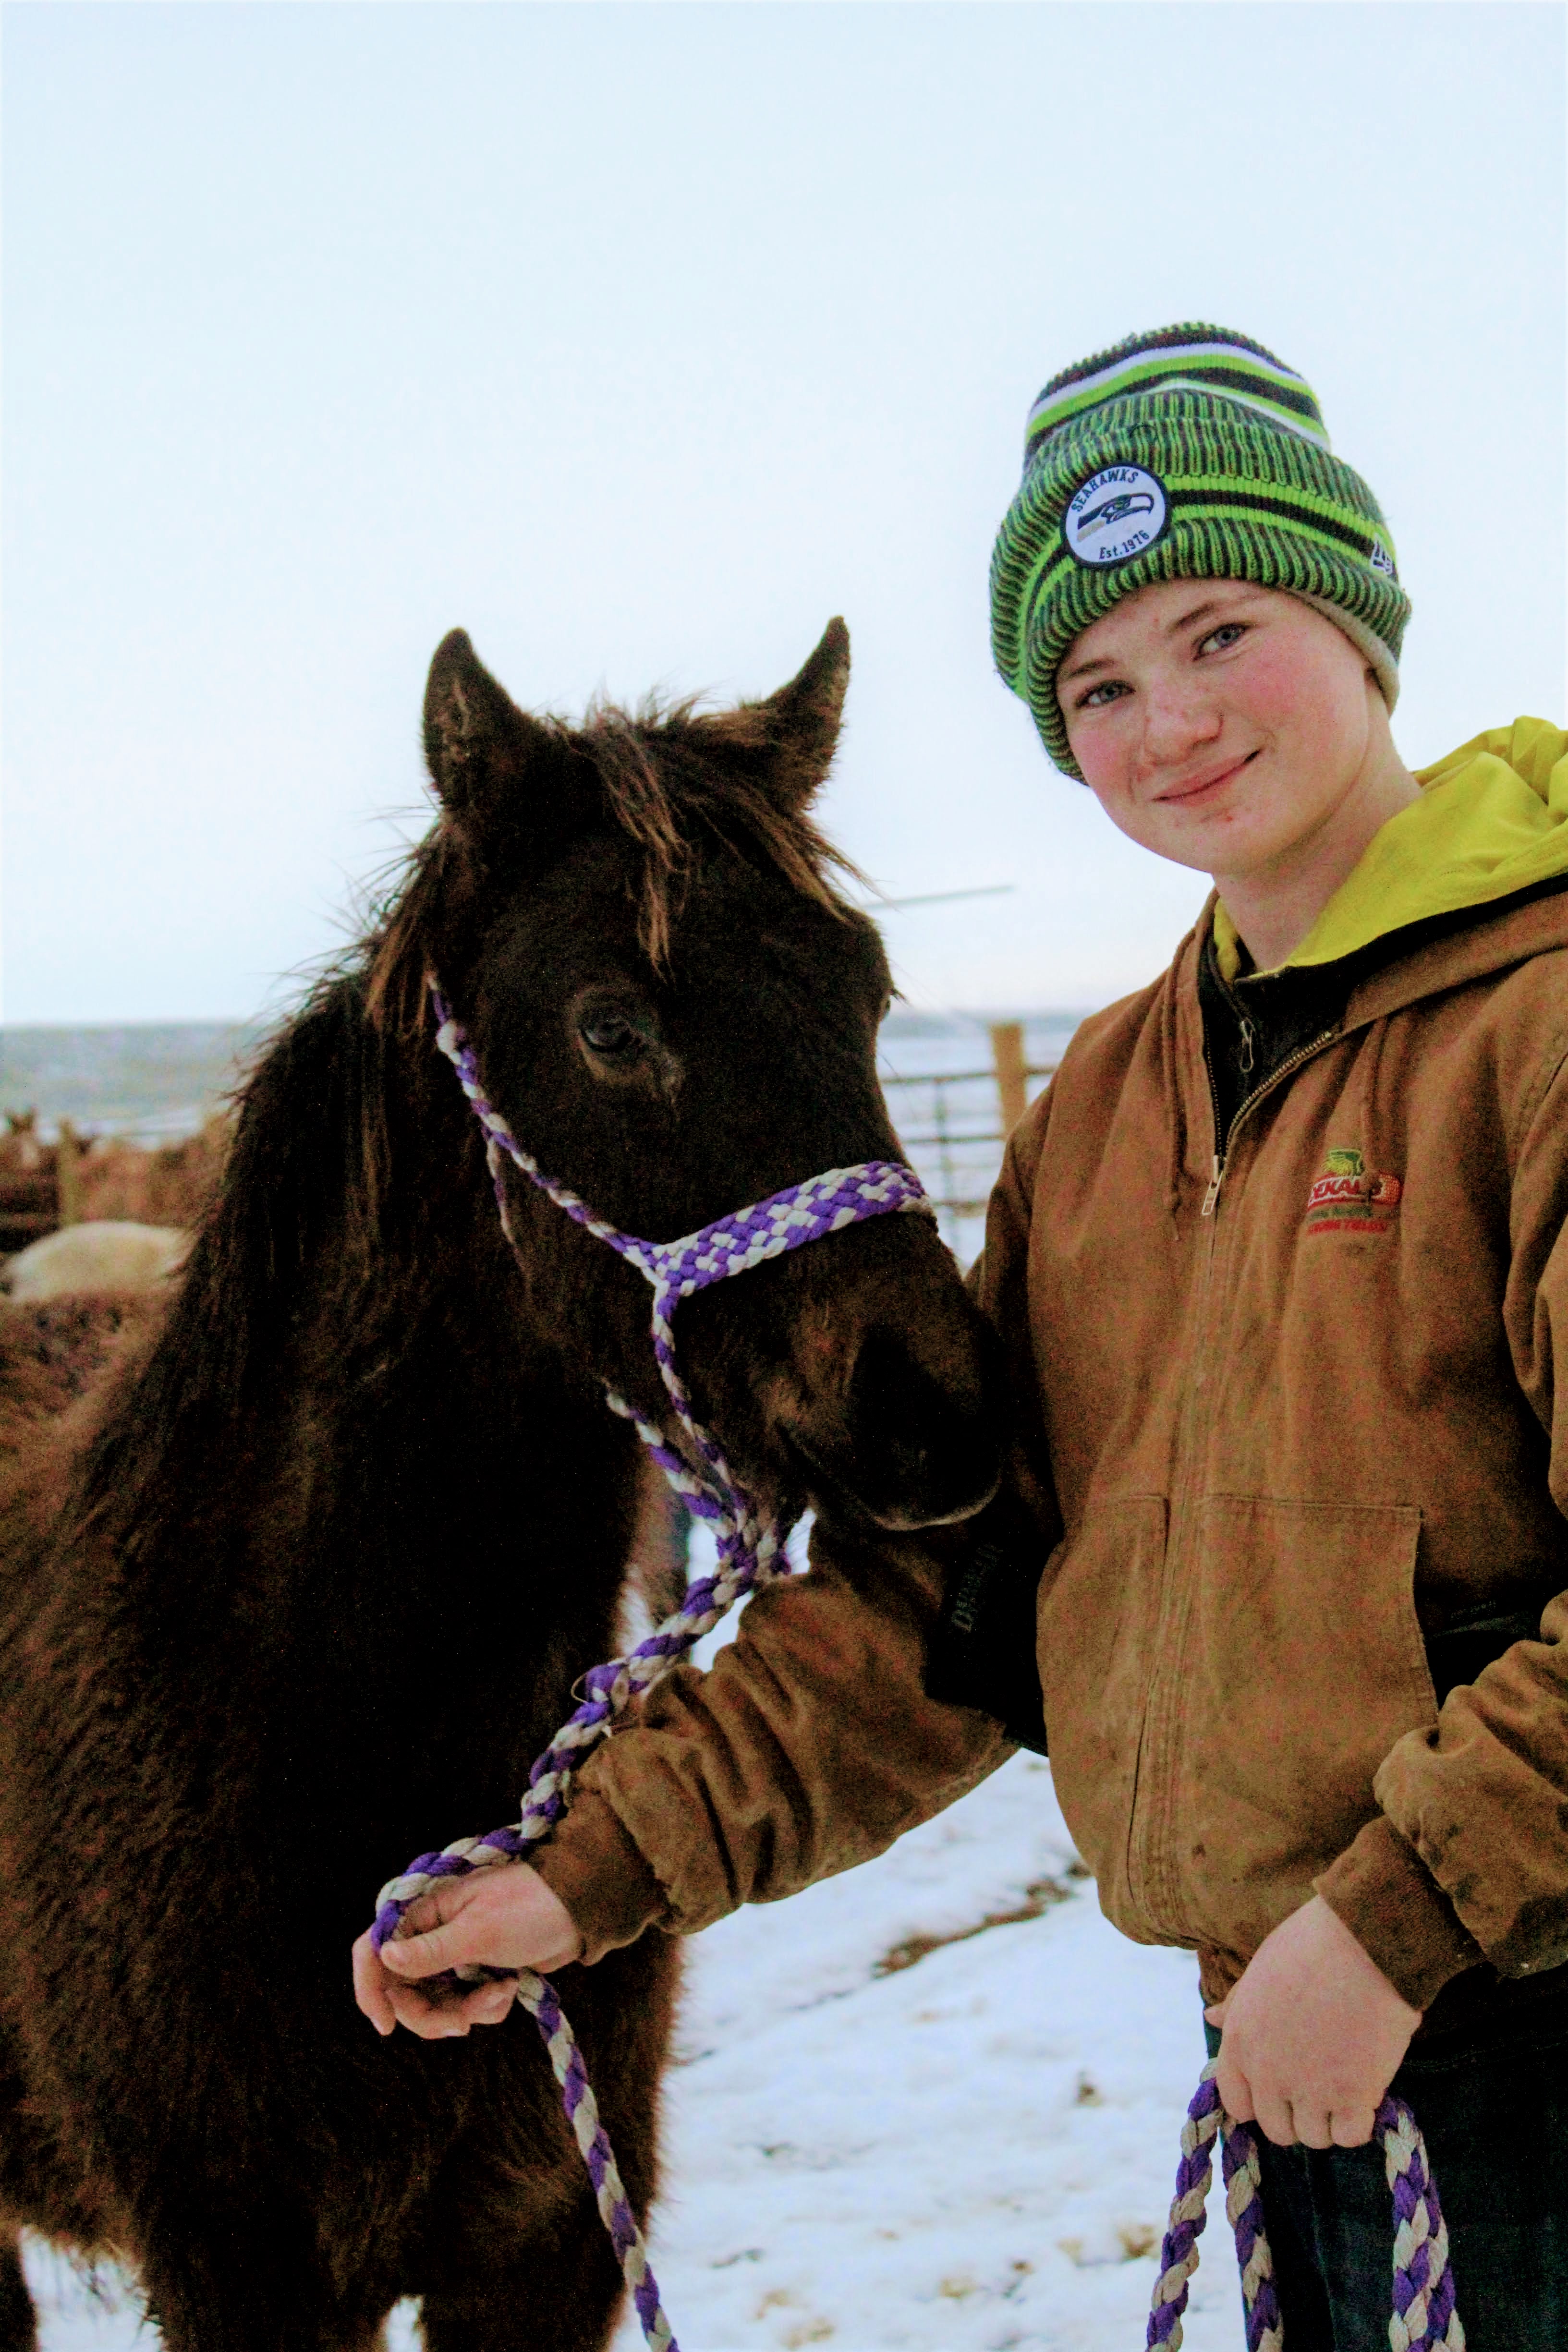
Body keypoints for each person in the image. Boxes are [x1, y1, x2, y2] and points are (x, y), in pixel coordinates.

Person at [354, 326, 1568, 2345]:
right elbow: (955, 1596)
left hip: (1515, 2020)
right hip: (1306, 2054)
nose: (1170, 719)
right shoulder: (1110, 1107)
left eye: (1219, 631)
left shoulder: (1538, 1027)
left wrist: (1391, 1926)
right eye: (1097, 685)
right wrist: (586, 1871)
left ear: (1359, 622)